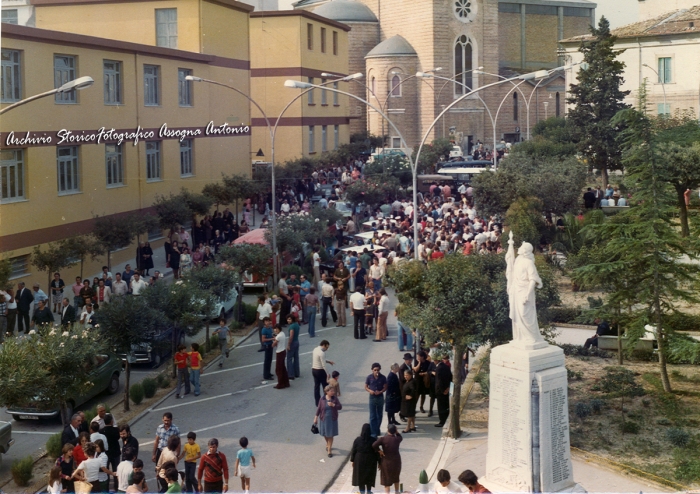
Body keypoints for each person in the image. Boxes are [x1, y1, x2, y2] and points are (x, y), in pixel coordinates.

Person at [314, 384, 342, 458]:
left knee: (330, 434)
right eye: (331, 391)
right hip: (324, 419)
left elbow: (340, 407)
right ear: (327, 392)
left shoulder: (335, 399)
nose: (333, 392)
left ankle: (329, 449)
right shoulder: (322, 399)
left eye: (333, 391)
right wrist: (316, 417)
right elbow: (319, 408)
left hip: (332, 419)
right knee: (325, 434)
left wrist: (333, 405)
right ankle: (328, 444)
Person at [373, 425, 403, 494]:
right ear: (395, 431)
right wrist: (397, 432)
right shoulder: (397, 439)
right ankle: (397, 492)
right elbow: (400, 436)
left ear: (387, 430)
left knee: (386, 479)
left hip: (386, 460)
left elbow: (374, 445)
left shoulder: (383, 439)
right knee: (396, 477)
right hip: (396, 460)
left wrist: (379, 451)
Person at [350, 424, 380, 494]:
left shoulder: (358, 440)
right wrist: (379, 462)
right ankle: (369, 491)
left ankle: (362, 492)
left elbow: (354, 450)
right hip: (371, 460)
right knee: (369, 476)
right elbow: (377, 451)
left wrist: (353, 460)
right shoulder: (373, 440)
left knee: (360, 477)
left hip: (359, 460)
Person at [365, 363, 388, 438]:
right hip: (372, 397)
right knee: (372, 416)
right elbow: (366, 386)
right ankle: (373, 432)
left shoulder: (383, 377)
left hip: (380, 397)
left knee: (379, 415)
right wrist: (370, 391)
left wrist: (381, 391)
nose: (376, 371)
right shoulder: (369, 377)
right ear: (372, 370)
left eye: (378, 370)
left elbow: (385, 387)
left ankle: (377, 429)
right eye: (375, 370)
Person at [312, 340, 335, 405]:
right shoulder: (322, 353)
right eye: (327, 347)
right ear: (324, 345)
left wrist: (328, 361)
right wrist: (327, 373)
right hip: (320, 371)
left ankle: (318, 403)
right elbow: (323, 364)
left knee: (316, 387)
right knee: (325, 387)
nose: (327, 349)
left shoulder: (315, 349)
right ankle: (327, 401)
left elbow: (321, 360)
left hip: (314, 370)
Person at [435, 354, 453, 428]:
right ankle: (447, 419)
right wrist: (448, 388)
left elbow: (439, 381)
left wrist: (442, 390)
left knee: (441, 406)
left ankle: (442, 421)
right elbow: (450, 377)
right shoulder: (446, 366)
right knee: (446, 405)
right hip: (447, 389)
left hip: (440, 391)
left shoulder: (439, 368)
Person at [272, 324, 290, 389]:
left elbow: (273, 344)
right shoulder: (283, 334)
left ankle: (280, 384)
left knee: (278, 369)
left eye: (276, 329)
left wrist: (274, 340)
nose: (275, 330)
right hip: (283, 351)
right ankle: (286, 382)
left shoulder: (278, 336)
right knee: (283, 368)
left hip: (279, 352)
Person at [286, 314, 300, 380]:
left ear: (292, 319)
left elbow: (291, 336)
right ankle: (297, 373)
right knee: (296, 358)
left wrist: (288, 344)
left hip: (292, 343)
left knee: (289, 359)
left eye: (289, 319)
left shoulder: (291, 327)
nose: (288, 320)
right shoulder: (297, 325)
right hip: (297, 341)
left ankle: (290, 374)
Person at [260, 317, 274, 382]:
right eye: (266, 321)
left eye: (268, 321)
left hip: (271, 345)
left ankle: (269, 373)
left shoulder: (270, 328)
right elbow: (263, 339)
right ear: (264, 323)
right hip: (267, 345)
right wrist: (271, 339)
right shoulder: (264, 330)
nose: (268, 322)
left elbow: (271, 335)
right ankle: (266, 375)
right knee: (267, 361)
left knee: (270, 359)